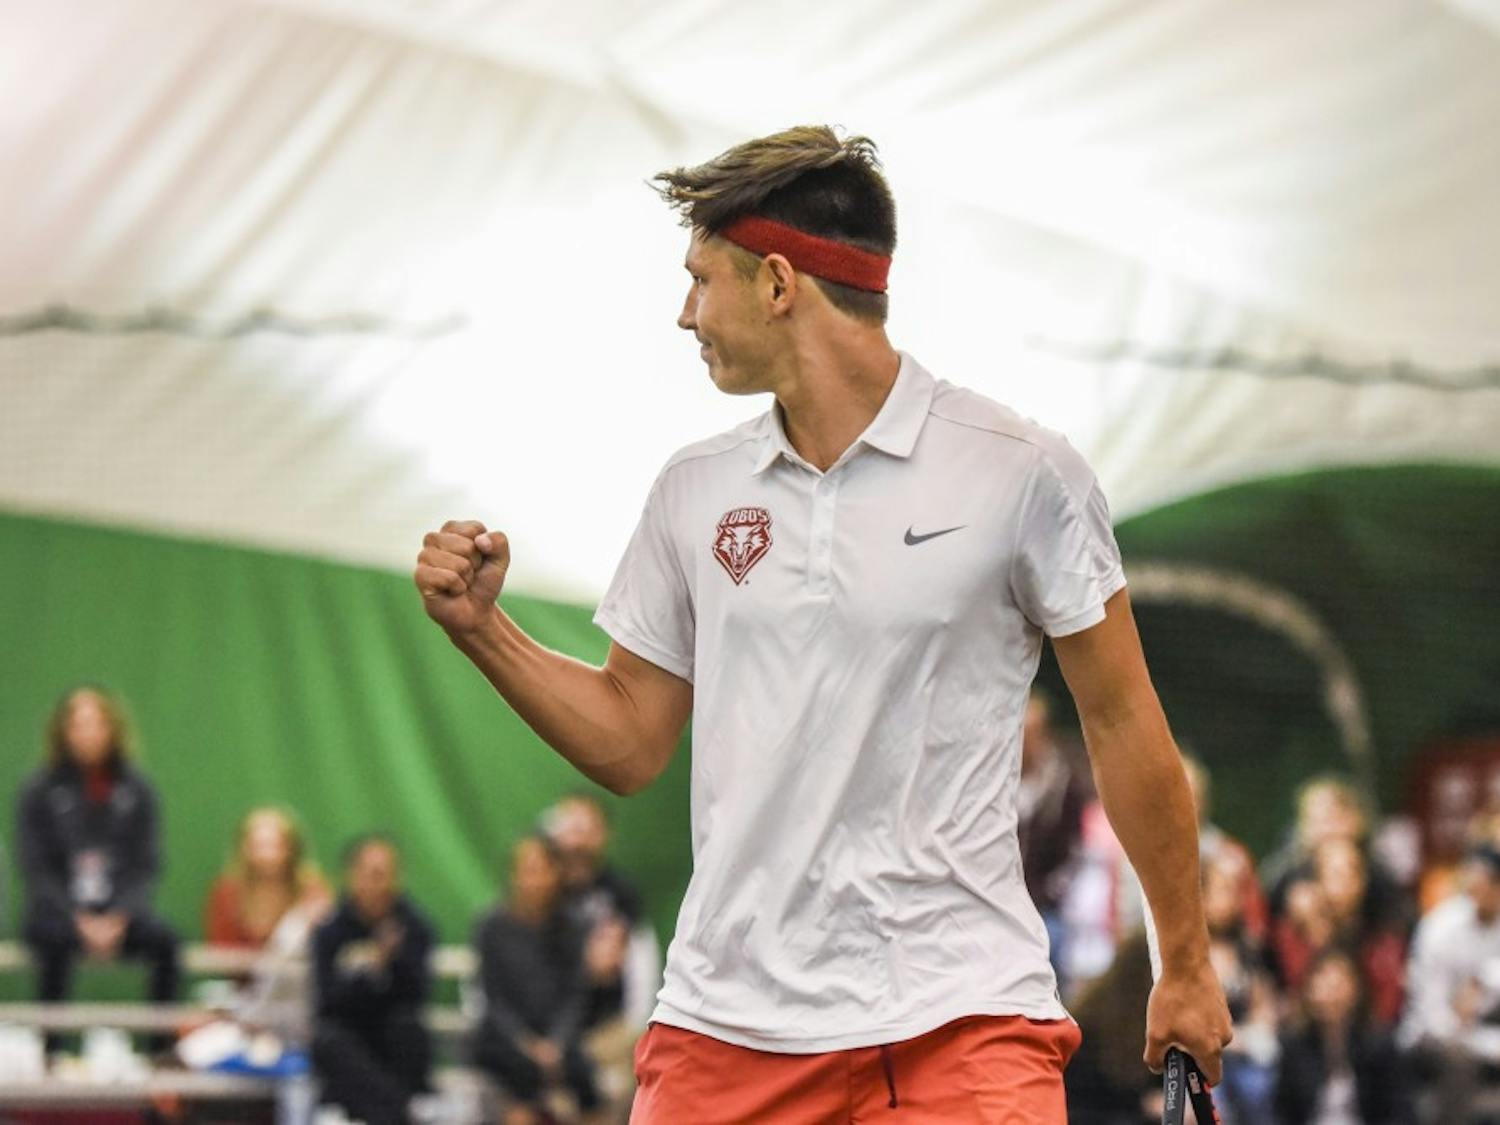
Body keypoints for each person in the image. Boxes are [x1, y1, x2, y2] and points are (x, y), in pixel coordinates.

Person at [413, 124, 1231, 1122]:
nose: (683, 314)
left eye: (700, 279)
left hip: (961, 1026)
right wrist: (483, 630)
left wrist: (1183, 962)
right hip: (723, 1030)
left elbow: (1122, 722)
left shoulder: (1024, 471)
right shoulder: (692, 490)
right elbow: (629, 741)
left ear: (776, 283)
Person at [15, 685, 180, 1041]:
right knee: (52, 943)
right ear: (63, 731)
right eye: (78, 724)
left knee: (167, 942)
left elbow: (146, 865)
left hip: (120, 915)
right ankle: (50, 1050)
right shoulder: (38, 790)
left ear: (113, 729)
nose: (88, 733)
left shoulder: (138, 790)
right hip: (59, 915)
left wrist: (120, 915)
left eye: (97, 723)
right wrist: (77, 919)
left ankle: (161, 1054)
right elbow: (36, 868)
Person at [472, 835, 612, 1125]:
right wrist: (526, 1043)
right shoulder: (491, 927)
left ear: (555, 873)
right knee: (519, 1075)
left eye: (540, 869)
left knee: (584, 1078)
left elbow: (576, 995)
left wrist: (555, 1043)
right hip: (506, 1041)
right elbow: (493, 999)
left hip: (559, 1041)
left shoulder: (572, 927)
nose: (532, 880)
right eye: (525, 870)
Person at [311, 834, 434, 1125]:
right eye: (371, 874)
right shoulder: (330, 931)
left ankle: (392, 1112)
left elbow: (416, 994)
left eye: (386, 875)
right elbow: (328, 1002)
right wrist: (368, 971)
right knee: (328, 1041)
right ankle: (404, 1114)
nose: (378, 885)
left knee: (407, 1027)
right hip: (350, 1038)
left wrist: (392, 962)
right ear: (352, 876)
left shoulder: (415, 928)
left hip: (393, 1037)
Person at [1399, 843, 1500, 1123]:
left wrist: (1485, 982)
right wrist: (1489, 1045)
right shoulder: (1440, 928)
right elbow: (1435, 1019)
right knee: (1459, 1060)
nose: (1476, 892)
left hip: (1487, 1027)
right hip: (1432, 1036)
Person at [1273, 948, 1413, 1124]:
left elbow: (1399, 1112)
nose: (1329, 995)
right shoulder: (1295, 1046)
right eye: (1322, 985)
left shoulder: (1378, 1045)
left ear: (1355, 990)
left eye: (1337, 986)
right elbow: (1282, 1113)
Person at [1016, 691, 1088, 990]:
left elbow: (1073, 853)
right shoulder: (992, 779)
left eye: (1031, 735)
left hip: (1044, 903)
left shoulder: (1064, 785)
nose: (1024, 744)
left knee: (1051, 941)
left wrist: (1044, 894)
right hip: (993, 895)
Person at [205, 806, 331, 949]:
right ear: (243, 848)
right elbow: (222, 947)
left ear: (292, 848)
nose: (267, 855)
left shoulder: (310, 888)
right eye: (258, 846)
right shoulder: (227, 891)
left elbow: (325, 939)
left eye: (276, 846)